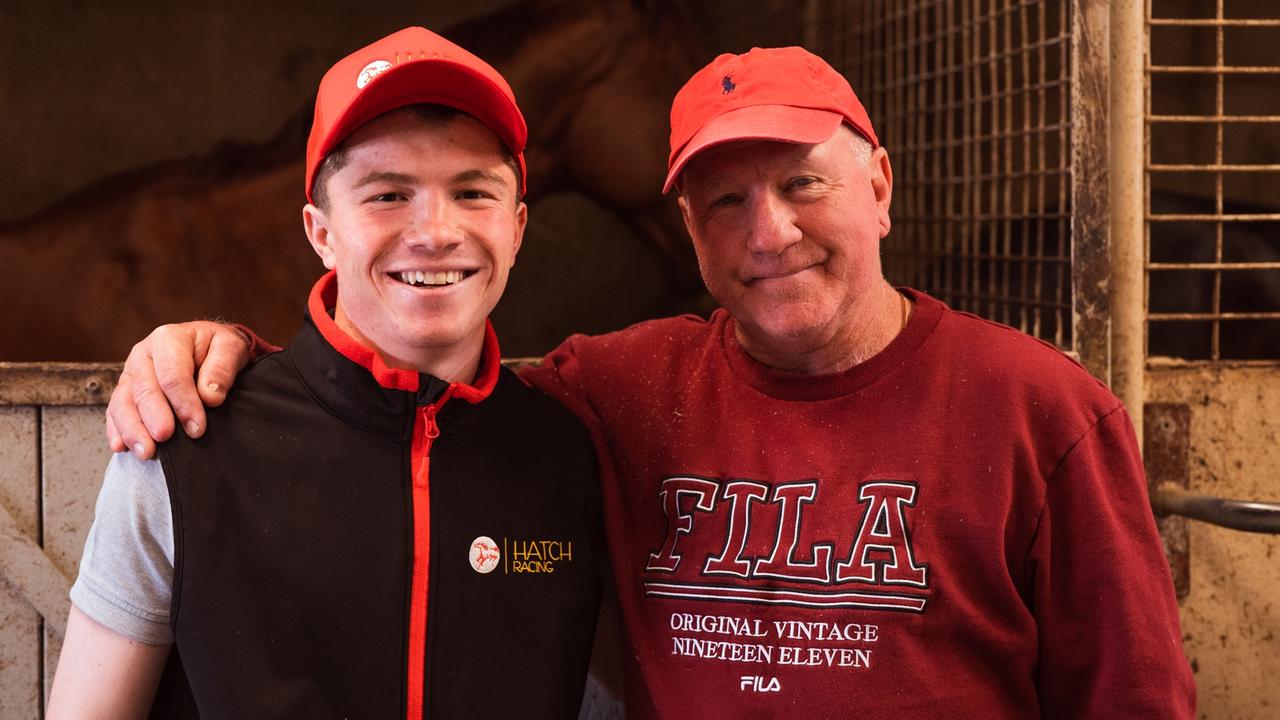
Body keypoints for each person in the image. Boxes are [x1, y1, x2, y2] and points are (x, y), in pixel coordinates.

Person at [103, 45, 1196, 718]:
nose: (767, 233)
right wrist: (214, 348)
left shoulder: (1038, 408)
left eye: (801, 183)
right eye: (721, 201)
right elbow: (404, 392)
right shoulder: (615, 391)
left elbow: (1132, 701)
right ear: (685, 231)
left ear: (877, 186)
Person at [49, 26, 605, 719]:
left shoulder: (570, 456)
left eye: (472, 193)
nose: (435, 229)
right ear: (320, 232)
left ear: (517, 229)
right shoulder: (186, 446)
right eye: (387, 195)